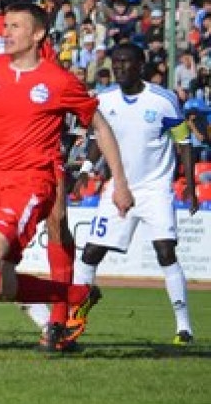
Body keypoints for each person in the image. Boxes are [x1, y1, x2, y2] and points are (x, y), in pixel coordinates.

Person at [0, 2, 132, 362]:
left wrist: (120, 183)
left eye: (14, 27)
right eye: (4, 26)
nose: (5, 33)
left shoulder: (58, 80)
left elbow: (100, 127)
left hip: (30, 182)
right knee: (4, 286)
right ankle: (75, 295)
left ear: (38, 34)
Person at [74, 43, 196, 346]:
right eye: (116, 63)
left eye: (126, 62)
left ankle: (184, 327)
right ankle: (75, 314)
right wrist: (87, 170)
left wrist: (191, 187)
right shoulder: (104, 100)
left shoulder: (163, 100)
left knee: (166, 251)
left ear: (140, 65)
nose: (120, 67)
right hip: (118, 187)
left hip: (155, 189)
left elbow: (184, 143)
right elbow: (96, 139)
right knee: (90, 253)